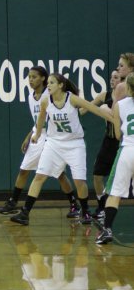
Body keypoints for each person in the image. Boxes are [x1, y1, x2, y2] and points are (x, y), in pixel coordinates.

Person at [10, 73, 113, 226]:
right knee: (39, 176)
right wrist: (37, 134)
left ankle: (85, 212)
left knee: (79, 181)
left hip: (74, 144)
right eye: (48, 83)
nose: (49, 85)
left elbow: (93, 109)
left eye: (52, 82)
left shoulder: (71, 98)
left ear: (60, 85)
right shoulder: (46, 101)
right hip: (53, 144)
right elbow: (40, 118)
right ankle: (25, 213)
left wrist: (114, 120)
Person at [0, 66, 79, 218]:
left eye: (34, 77)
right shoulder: (30, 97)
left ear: (43, 78)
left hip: (51, 137)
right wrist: (29, 136)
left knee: (59, 174)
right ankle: (13, 202)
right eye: (29, 77)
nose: (30, 80)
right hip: (38, 135)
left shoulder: (51, 95)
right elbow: (38, 121)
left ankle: (74, 203)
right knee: (24, 169)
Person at [96, 72, 134, 245]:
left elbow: (118, 134)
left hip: (127, 150)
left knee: (115, 194)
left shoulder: (120, 104)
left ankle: (107, 230)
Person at [79, 69, 121, 220]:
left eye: (115, 77)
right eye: (111, 77)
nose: (112, 80)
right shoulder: (105, 96)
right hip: (108, 141)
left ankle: (110, 206)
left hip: (123, 142)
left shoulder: (127, 99)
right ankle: (101, 205)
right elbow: (83, 110)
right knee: (97, 175)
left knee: (118, 178)